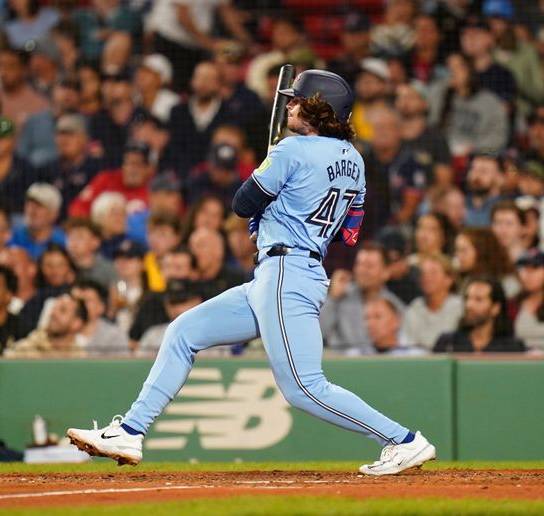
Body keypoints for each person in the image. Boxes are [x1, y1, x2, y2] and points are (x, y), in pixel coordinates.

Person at [66, 69, 437, 476]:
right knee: (183, 333)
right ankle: (131, 431)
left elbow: (242, 203)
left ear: (317, 107)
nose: (290, 104)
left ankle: (403, 440)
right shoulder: (355, 161)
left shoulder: (291, 150)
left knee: (304, 387)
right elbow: (350, 232)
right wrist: (282, 209)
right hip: (287, 271)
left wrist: (271, 192)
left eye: (297, 100)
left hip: (285, 273)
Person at [434, 276, 526, 353]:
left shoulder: (512, 348)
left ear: (495, 308)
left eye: (478, 300)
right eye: (467, 298)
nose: (469, 305)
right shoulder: (448, 343)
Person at [401, 254, 462, 351]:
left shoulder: (460, 307)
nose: (427, 277)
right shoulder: (415, 307)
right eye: (423, 273)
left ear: (449, 279)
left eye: (433, 273)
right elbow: (407, 345)